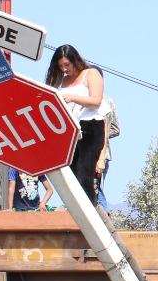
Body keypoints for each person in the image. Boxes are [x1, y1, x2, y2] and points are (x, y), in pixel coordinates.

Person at [46, 45, 111, 204]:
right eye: (60, 66)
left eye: (67, 65)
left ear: (75, 60)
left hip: (90, 127)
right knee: (70, 175)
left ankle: (91, 211)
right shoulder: (62, 80)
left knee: (84, 174)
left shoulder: (91, 73)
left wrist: (73, 97)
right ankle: (75, 210)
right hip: (69, 129)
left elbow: (96, 101)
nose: (64, 69)